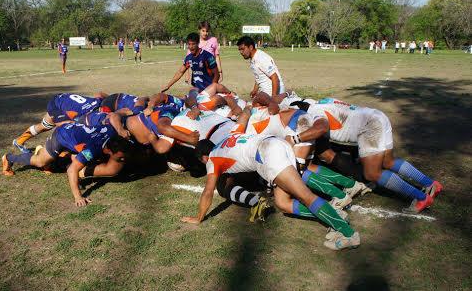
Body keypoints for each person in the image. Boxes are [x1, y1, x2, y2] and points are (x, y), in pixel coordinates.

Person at [182, 106, 361, 250]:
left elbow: (208, 192)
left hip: (267, 154)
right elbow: (243, 117)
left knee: (305, 196)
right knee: (282, 202)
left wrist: (198, 218)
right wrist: (248, 107)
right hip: (277, 144)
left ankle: (348, 234)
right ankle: (332, 215)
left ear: (204, 157)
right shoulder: (232, 135)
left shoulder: (212, 160)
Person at [290, 98, 444, 213]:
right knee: (388, 162)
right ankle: (431, 184)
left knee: (372, 174)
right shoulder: (323, 103)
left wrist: (294, 139)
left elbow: (322, 128)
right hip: (377, 116)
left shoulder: (314, 112)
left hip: (369, 126)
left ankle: (421, 198)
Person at [2, 123, 132, 207]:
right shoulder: (92, 150)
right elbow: (72, 170)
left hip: (75, 133)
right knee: (40, 162)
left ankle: (50, 157)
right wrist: (78, 197)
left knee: (75, 157)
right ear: (108, 151)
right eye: (120, 157)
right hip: (61, 136)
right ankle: (9, 158)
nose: (122, 159)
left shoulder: (112, 132)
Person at [12, 92, 107, 153]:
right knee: (67, 131)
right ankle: (42, 152)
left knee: (45, 126)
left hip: (62, 100)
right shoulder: (87, 116)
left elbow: (100, 94)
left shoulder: (98, 102)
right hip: (57, 105)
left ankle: (19, 141)